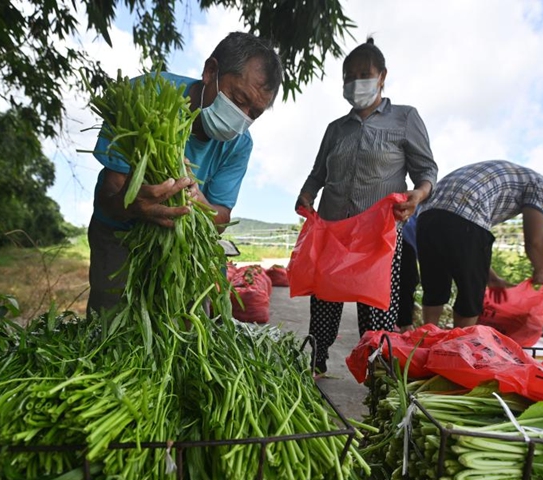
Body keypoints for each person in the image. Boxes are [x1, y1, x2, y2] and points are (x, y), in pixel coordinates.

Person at [87, 32, 283, 317]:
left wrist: (198, 202)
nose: (243, 117)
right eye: (238, 99)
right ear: (210, 71)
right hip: (120, 235)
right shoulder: (146, 95)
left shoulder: (240, 145)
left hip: (183, 244)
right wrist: (133, 203)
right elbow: (110, 193)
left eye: (255, 113)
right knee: (110, 327)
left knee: (187, 328)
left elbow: (221, 218)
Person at [295, 38, 438, 375]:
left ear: (382, 76)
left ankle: (377, 368)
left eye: (364, 74)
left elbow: (426, 170)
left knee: (376, 305)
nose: (355, 82)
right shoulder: (335, 129)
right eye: (349, 76)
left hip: (379, 234)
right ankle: (316, 361)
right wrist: (306, 195)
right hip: (335, 229)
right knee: (325, 299)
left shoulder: (405, 118)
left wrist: (418, 195)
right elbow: (318, 173)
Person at [416, 160, 543, 328]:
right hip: (467, 211)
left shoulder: (502, 174)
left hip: (426, 216)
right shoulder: (538, 183)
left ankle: (425, 339)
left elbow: (467, 254)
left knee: (435, 288)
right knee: (470, 296)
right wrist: (541, 269)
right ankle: (458, 348)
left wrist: (492, 279)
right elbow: (534, 239)